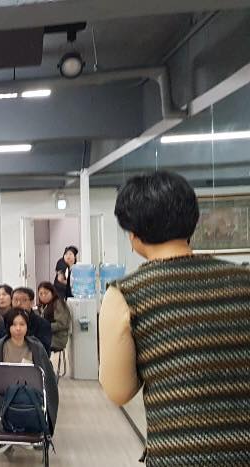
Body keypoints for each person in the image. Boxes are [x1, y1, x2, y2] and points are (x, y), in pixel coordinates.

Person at [100, 171, 250, 466]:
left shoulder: (126, 294)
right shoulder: (243, 279)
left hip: (180, 453)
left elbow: (119, 391)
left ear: (134, 233)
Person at [0, 308, 58, 435]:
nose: (18, 328)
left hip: (30, 396)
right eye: (14, 324)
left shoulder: (36, 348)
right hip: (3, 396)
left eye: (22, 324)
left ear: (27, 326)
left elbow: (48, 379)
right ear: (8, 327)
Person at [0, 287, 53, 355]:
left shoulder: (42, 324)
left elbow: (44, 351)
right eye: (15, 300)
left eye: (24, 300)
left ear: (32, 303)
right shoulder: (5, 320)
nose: (19, 304)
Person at [36, 282, 72, 353]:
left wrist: (46, 327)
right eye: (41, 294)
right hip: (48, 335)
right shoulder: (43, 306)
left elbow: (62, 324)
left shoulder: (58, 304)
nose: (43, 296)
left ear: (52, 292)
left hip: (57, 338)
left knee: (34, 344)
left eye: (46, 293)